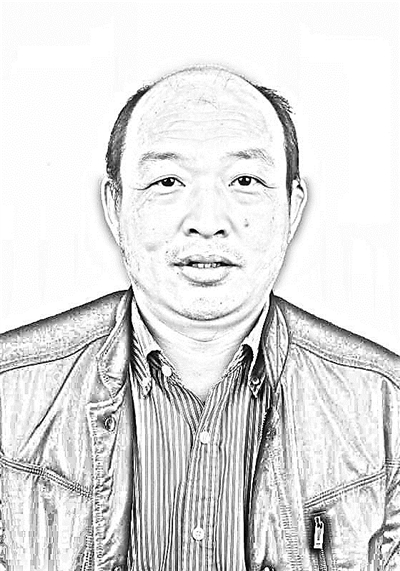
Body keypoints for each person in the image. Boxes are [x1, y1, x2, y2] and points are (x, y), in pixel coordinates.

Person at [0, 65, 399, 571]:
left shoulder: (387, 407)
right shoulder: (9, 395)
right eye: (167, 181)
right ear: (115, 206)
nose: (207, 223)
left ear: (292, 209)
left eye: (245, 181)